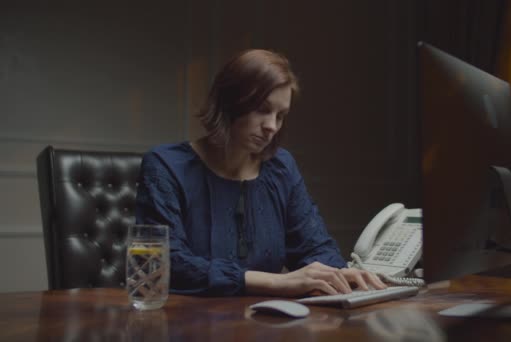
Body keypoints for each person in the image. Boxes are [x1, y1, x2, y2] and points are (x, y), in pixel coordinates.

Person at [135, 49, 386, 297]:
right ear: (231, 101)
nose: (272, 126)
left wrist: (339, 273)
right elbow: (168, 263)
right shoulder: (165, 165)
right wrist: (278, 282)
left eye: (281, 116)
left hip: (265, 325)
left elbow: (313, 246)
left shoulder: (281, 168)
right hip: (186, 326)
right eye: (262, 109)